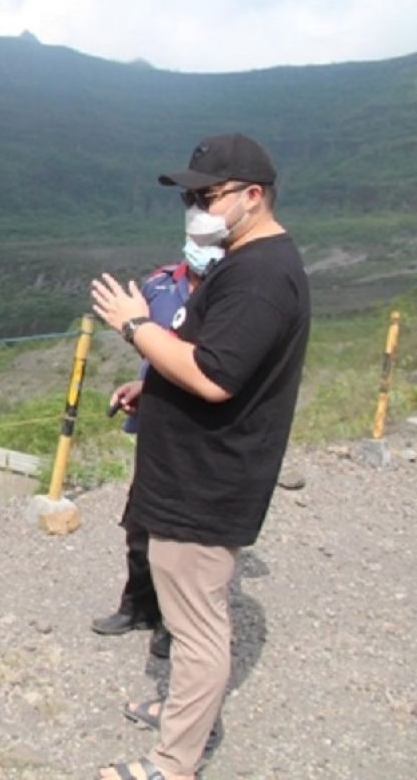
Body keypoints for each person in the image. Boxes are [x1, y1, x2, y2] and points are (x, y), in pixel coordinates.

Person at [91, 133, 310, 780]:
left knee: (197, 623)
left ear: (253, 195)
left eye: (205, 196)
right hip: (193, 472)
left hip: (208, 479)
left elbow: (216, 376)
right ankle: (186, 710)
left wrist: (136, 326)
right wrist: (150, 383)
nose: (194, 208)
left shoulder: (261, 276)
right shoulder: (242, 263)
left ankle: (174, 762)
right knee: (188, 613)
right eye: (189, 197)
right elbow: (202, 358)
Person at [91, 243, 220, 660]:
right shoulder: (160, 286)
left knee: (179, 532)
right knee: (140, 521)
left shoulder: (232, 292)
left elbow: (210, 370)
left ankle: (172, 621)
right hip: (156, 424)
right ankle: (138, 606)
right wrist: (144, 388)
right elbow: (157, 356)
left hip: (199, 430)